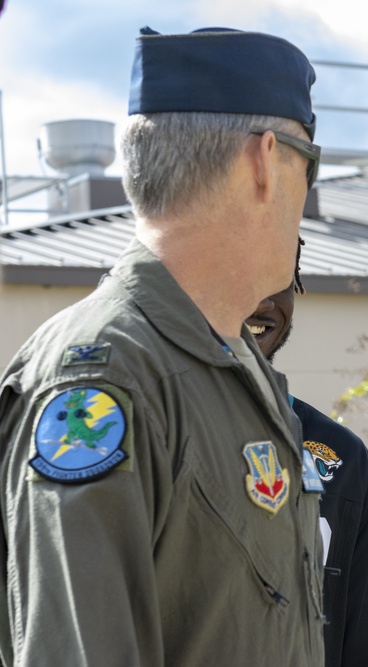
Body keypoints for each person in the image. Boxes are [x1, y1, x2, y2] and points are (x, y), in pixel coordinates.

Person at [0, 26, 325, 665]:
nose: (308, 197)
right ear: (265, 161)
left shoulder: (228, 362)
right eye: (309, 163)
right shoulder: (103, 379)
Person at [248, 248, 368, 667]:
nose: (263, 301)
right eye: (241, 270)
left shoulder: (342, 454)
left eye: (278, 275)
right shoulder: (160, 424)